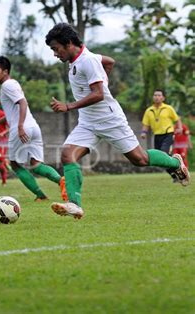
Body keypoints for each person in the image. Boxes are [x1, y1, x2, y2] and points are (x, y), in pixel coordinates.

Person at [45, 23, 190, 219]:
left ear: (68, 43)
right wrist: (102, 80)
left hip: (109, 119)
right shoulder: (84, 59)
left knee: (140, 160)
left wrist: (68, 106)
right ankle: (74, 204)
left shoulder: (88, 61)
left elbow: (99, 95)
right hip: (88, 122)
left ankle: (174, 162)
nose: (55, 54)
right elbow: (110, 61)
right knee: (67, 154)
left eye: (56, 48)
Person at [0, 56, 67, 202]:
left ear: (5, 71)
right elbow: (14, 110)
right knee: (36, 165)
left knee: (15, 165)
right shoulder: (13, 83)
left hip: (21, 129)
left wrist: (20, 126)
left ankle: (41, 195)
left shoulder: (6, 86)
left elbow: (23, 103)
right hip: (34, 127)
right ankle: (61, 181)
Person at [141, 89, 182, 154]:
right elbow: (146, 124)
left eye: (159, 95)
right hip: (157, 135)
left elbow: (177, 119)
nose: (157, 97)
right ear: (153, 97)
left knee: (164, 152)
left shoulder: (168, 108)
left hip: (168, 134)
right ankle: (170, 163)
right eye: (155, 95)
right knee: (159, 154)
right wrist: (144, 132)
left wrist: (180, 128)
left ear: (163, 98)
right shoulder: (149, 110)